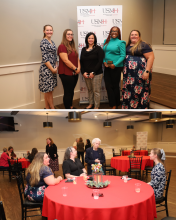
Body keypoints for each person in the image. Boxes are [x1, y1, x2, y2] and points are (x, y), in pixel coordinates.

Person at [122, 30, 155, 109]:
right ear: (130, 36)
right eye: (132, 34)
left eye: (135, 34)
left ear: (139, 36)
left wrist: (147, 71)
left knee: (140, 89)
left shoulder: (144, 45)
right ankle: (129, 107)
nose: (133, 36)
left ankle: (140, 108)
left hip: (140, 73)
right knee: (129, 90)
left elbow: (151, 57)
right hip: (129, 74)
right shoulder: (127, 45)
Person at [103, 26, 126, 109]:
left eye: (116, 31)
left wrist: (115, 64)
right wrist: (104, 62)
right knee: (108, 86)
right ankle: (112, 103)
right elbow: (104, 54)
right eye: (112, 31)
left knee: (115, 86)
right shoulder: (106, 41)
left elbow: (123, 56)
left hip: (116, 67)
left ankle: (116, 104)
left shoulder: (121, 42)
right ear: (110, 32)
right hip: (107, 66)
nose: (114, 32)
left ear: (118, 33)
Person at [80, 32, 104, 109]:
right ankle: (91, 104)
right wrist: (83, 72)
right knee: (90, 90)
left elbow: (100, 62)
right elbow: (81, 62)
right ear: (87, 39)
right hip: (86, 74)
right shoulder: (83, 49)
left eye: (92, 38)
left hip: (97, 74)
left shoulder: (98, 49)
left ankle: (96, 106)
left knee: (96, 91)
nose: (90, 39)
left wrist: (93, 72)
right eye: (89, 38)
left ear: (94, 39)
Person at [58, 29, 80, 109]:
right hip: (66, 74)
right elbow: (65, 60)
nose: (70, 36)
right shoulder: (62, 46)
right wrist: (75, 69)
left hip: (74, 73)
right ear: (65, 35)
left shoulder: (72, 46)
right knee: (68, 92)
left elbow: (77, 58)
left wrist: (78, 69)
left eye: (71, 34)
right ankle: (67, 109)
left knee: (71, 91)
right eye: (68, 34)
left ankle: (70, 106)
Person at [38, 24, 57, 109]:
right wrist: (52, 69)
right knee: (48, 91)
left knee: (48, 90)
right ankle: (52, 108)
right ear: (44, 31)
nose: (49, 32)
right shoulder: (43, 42)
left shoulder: (52, 42)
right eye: (47, 30)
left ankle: (47, 107)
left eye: (50, 30)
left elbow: (55, 56)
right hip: (46, 69)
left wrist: (56, 66)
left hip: (53, 68)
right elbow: (45, 58)